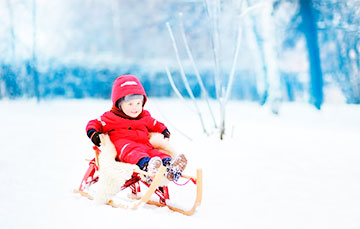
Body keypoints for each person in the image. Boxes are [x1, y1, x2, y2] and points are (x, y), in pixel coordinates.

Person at [86, 74, 187, 182]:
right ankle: (148, 167)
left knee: (156, 154)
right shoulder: (110, 117)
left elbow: (155, 124)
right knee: (136, 153)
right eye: (130, 104)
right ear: (119, 104)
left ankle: (170, 166)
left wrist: (164, 131)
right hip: (125, 149)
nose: (135, 107)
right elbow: (94, 123)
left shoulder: (144, 116)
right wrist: (94, 133)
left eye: (138, 103)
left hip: (145, 146)